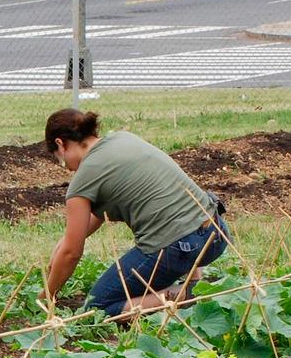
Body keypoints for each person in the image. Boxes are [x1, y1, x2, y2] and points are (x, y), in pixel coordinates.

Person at [40, 109, 229, 318]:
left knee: (97, 308)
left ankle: (186, 295)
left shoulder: (84, 176)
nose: (66, 168)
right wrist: (65, 242)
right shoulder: (123, 139)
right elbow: (90, 222)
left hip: (175, 250)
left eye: (60, 160)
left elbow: (72, 253)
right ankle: (195, 283)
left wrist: (47, 296)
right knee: (176, 215)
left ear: (60, 144)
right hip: (215, 234)